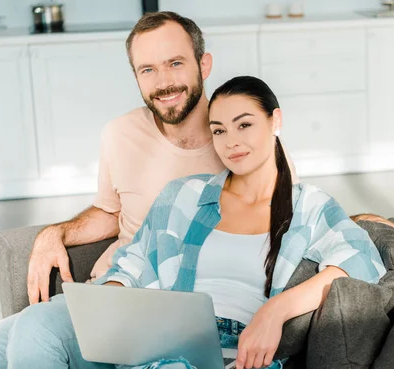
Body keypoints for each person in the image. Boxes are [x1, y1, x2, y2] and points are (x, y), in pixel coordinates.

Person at [0, 76, 387, 369]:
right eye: (219, 130)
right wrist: (109, 301)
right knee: (37, 325)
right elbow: (133, 262)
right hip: (158, 341)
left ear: (276, 121)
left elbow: (363, 262)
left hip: (240, 359)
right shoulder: (184, 195)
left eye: (244, 124)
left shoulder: (308, 206)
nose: (231, 141)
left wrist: (275, 311)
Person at [25, 11, 299, 305]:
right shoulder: (119, 133)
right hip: (113, 290)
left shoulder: (246, 149)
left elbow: (288, 227)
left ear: (203, 65)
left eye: (175, 63)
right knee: (26, 333)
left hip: (191, 306)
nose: (164, 82)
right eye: (148, 70)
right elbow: (111, 213)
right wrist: (55, 234)